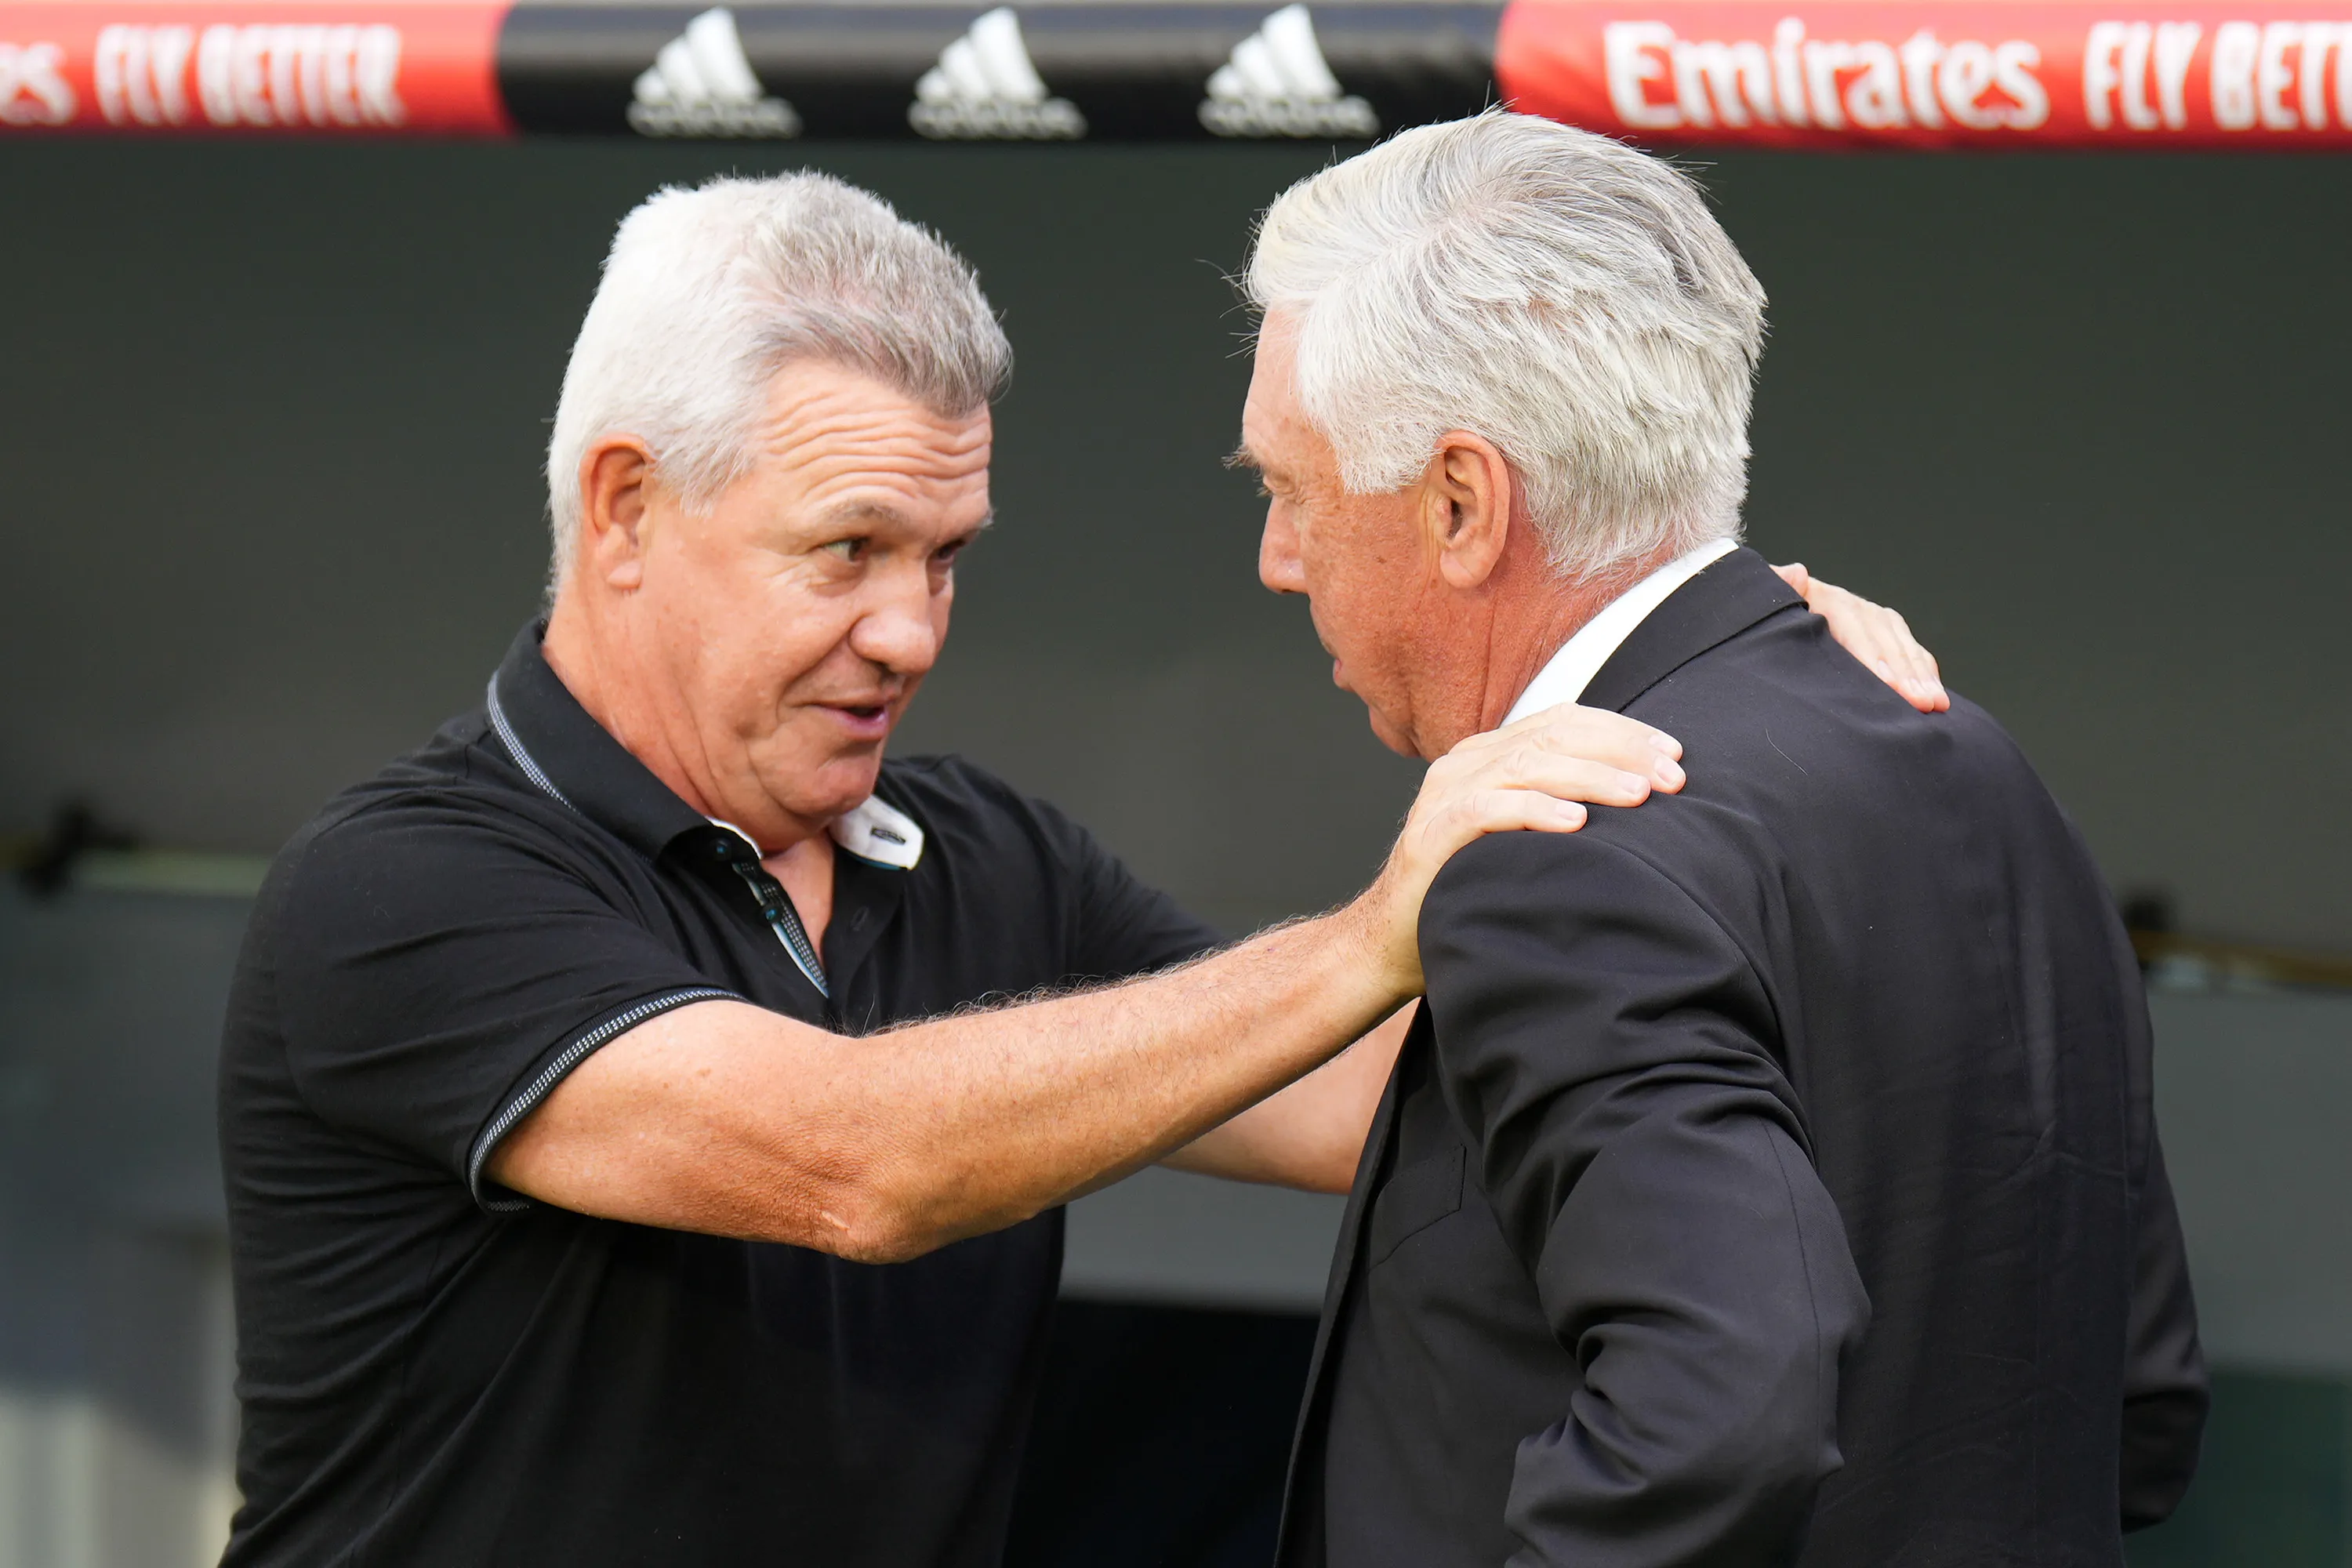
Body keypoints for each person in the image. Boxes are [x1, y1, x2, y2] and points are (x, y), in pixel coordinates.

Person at [216, 171, 1942, 1567]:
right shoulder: (399, 888)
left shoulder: (983, 858)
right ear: (623, 511)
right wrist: (1372, 935)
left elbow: (1385, 1112)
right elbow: (851, 1161)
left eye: (944, 558)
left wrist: (1729, 714)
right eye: (846, 552)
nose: (906, 631)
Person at [1232, 112, 2209, 1567]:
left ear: (1459, 501)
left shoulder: (1559, 848)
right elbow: (2138, 1408)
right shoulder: (1979, 768)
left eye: (1290, 490)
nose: (1276, 557)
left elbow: (1731, 1405)